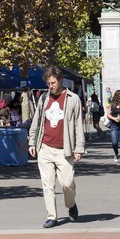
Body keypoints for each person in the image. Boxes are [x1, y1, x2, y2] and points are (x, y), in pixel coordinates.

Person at [28, 66, 85, 229]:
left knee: (67, 184)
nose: (50, 86)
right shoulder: (44, 98)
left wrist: (79, 148)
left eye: (53, 82)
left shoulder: (73, 99)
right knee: (47, 184)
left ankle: (71, 204)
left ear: (60, 80)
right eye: (48, 83)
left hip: (64, 149)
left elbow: (78, 125)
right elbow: (37, 121)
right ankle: (52, 216)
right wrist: (32, 141)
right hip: (45, 147)